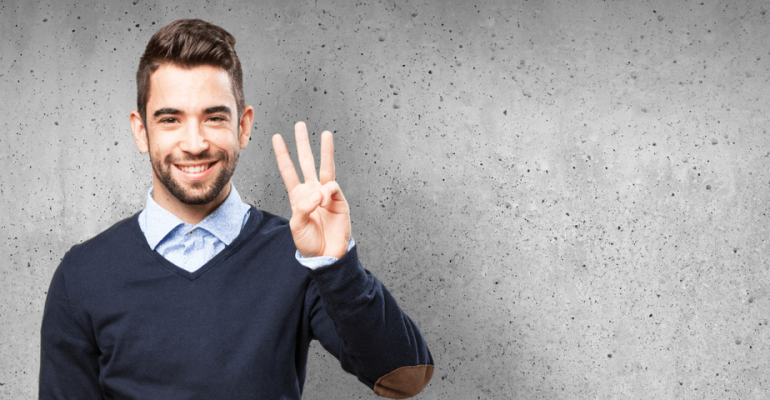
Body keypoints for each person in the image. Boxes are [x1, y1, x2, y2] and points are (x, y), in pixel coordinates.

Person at [39, 19, 433, 399]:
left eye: (214, 117)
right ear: (142, 131)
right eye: (171, 119)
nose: (194, 143)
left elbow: (404, 379)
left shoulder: (299, 256)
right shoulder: (83, 276)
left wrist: (336, 264)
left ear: (243, 127)